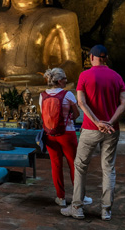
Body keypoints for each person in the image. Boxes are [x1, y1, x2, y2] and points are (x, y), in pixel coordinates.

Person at [61, 45, 125, 221]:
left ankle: (77, 208)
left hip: (91, 128)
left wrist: (97, 122)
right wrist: (110, 121)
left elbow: (81, 102)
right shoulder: (117, 76)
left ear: (91, 57)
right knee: (108, 168)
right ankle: (106, 210)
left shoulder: (85, 75)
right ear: (105, 58)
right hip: (112, 129)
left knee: (81, 166)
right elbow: (124, 103)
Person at [39, 68, 92, 207]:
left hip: (50, 135)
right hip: (67, 133)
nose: (66, 81)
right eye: (65, 79)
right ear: (59, 80)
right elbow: (76, 115)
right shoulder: (68, 95)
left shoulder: (42, 95)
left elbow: (43, 115)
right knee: (74, 165)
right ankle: (79, 197)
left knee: (56, 165)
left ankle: (60, 198)